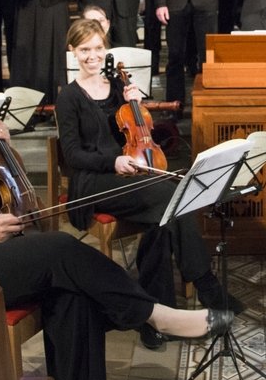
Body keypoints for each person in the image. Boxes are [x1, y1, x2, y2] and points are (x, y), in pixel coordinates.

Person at [0, 39, 232, 380]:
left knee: (74, 296)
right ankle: (153, 313)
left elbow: (7, 178)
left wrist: (5, 143)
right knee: (60, 247)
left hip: (4, 249)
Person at [55, 20, 241, 348]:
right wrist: (111, 162)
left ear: (105, 49)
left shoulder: (116, 89)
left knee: (161, 223)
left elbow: (135, 133)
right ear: (72, 52)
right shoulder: (69, 97)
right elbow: (72, 155)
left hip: (130, 173)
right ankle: (207, 285)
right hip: (94, 182)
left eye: (97, 48)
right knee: (171, 195)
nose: (91, 56)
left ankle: (155, 318)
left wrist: (133, 102)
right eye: (84, 50)